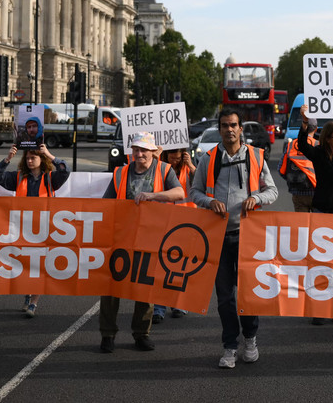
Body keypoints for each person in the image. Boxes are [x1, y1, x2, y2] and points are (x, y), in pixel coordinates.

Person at [190, 109, 278, 368]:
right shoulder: (208, 158)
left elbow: (272, 191)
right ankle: (230, 346)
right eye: (225, 125)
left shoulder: (256, 157)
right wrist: (209, 201)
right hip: (218, 237)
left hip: (248, 236)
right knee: (225, 297)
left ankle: (250, 339)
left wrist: (257, 198)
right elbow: (193, 191)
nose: (230, 129)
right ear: (220, 129)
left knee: (248, 295)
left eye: (234, 125)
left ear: (241, 129)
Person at [99, 132, 184, 353]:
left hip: (150, 238)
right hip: (121, 238)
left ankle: (141, 334)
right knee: (111, 289)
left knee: (145, 289)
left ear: (152, 152)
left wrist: (153, 196)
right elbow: (106, 203)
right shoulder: (120, 173)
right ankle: (107, 335)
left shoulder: (164, 170)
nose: (139, 154)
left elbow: (179, 193)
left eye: (144, 150)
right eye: (136, 150)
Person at [0, 143, 70, 317]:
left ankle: (33, 302)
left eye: (33, 157)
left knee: (40, 266)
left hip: (43, 229)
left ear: (41, 160)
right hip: (23, 228)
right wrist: (7, 159)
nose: (29, 160)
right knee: (25, 265)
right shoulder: (18, 178)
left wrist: (49, 154)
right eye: (27, 158)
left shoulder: (50, 178)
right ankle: (27, 293)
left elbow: (65, 170)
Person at [152, 148, 196, 324]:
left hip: (185, 224)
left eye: (178, 158)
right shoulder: (160, 168)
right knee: (160, 267)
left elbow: (204, 182)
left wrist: (191, 164)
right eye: (172, 158)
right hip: (164, 221)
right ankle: (158, 308)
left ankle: (178, 304)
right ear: (166, 156)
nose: (175, 161)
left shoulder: (188, 168)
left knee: (180, 266)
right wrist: (156, 159)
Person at [279, 127, 317, 212]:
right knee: (317, 224)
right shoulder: (318, 144)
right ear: (316, 129)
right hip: (316, 193)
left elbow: (281, 169)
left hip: (298, 193)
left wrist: (293, 179)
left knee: (301, 224)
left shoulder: (291, 145)